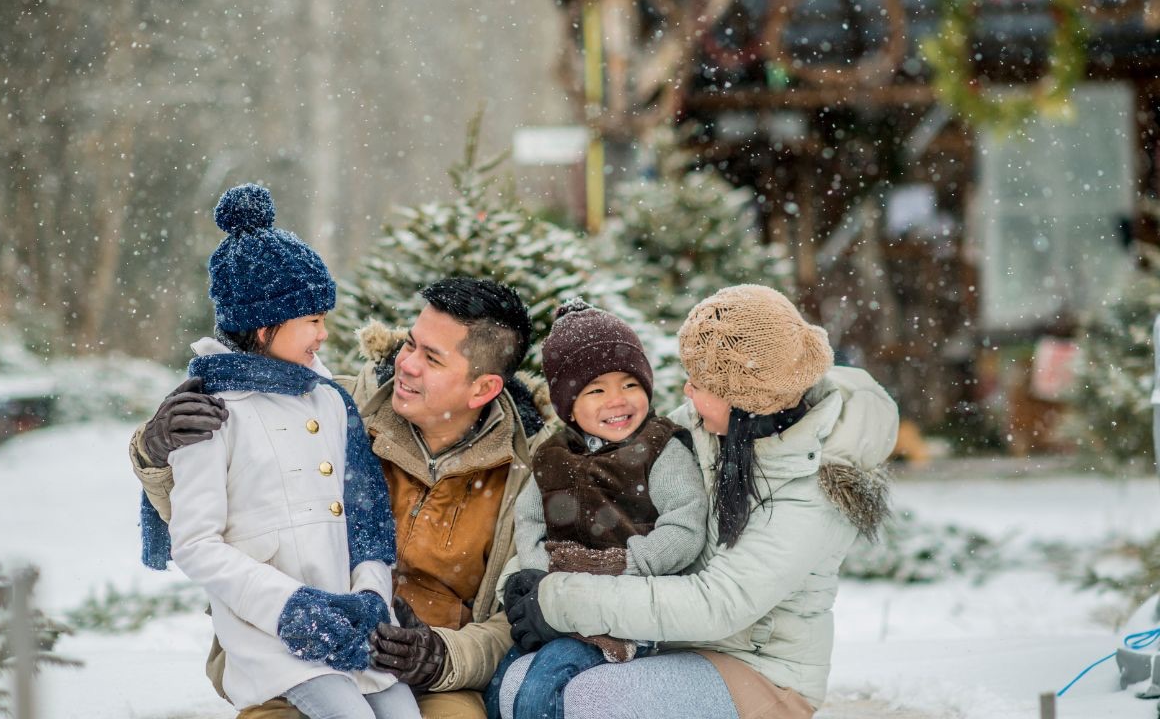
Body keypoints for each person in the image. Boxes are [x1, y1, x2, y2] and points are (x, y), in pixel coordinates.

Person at [131, 274, 552, 719]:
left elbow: (513, 620)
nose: (407, 364)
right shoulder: (331, 405)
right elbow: (215, 522)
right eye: (410, 344)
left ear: (482, 388)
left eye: (432, 358)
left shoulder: (526, 475)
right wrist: (157, 451)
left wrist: (443, 657)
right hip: (296, 648)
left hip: (430, 674)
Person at [500, 284, 899, 719]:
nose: (687, 390)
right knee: (517, 684)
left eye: (703, 382)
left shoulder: (814, 488)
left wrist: (558, 600)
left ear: (744, 399)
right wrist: (527, 579)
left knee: (587, 700)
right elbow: (594, 494)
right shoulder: (703, 428)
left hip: (761, 670)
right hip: (668, 643)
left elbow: (718, 604)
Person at [160, 183, 419, 717]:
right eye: (313, 320)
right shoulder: (209, 411)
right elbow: (195, 543)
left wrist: (372, 597)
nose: (325, 335)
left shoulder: (328, 400)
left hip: (353, 624)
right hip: (272, 635)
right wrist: (290, 609)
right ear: (263, 324)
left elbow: (367, 520)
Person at [485, 300, 708, 719]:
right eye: (596, 390)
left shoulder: (659, 449)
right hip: (554, 608)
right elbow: (531, 522)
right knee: (501, 684)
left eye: (629, 384)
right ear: (568, 404)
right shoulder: (551, 456)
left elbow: (686, 524)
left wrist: (623, 564)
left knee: (543, 685)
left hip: (628, 611)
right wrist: (536, 580)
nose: (617, 401)